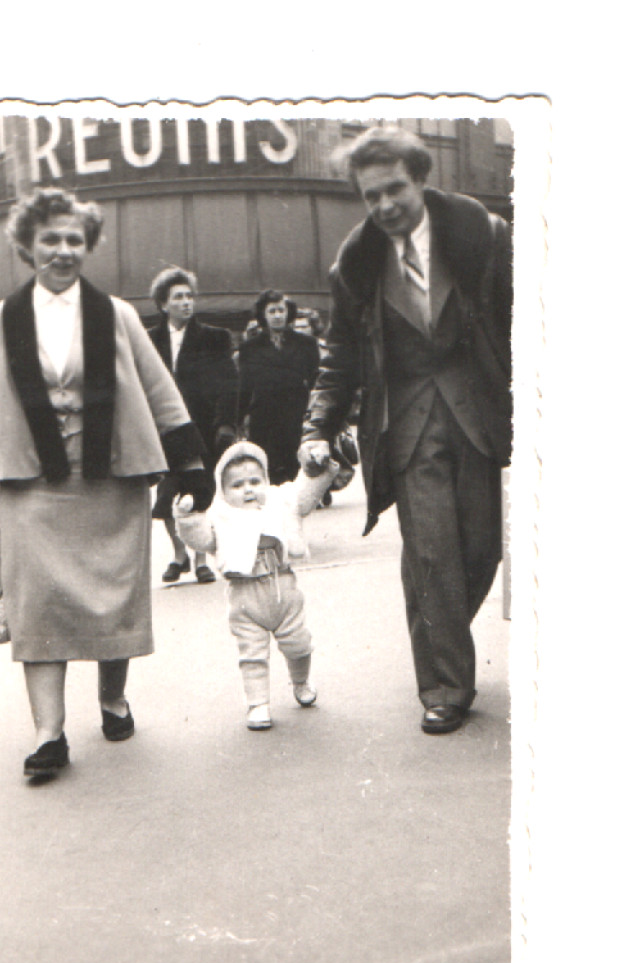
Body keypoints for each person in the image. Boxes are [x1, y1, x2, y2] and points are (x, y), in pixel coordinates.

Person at [0, 188, 211, 780]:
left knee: (110, 595)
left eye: (74, 239)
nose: (63, 251)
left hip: (112, 476)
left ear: (87, 245)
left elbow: (158, 388)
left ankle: (113, 699)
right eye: (50, 239)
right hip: (32, 485)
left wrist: (189, 463)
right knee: (37, 606)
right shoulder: (0, 319)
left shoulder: (116, 314)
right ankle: (49, 734)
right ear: (27, 245)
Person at [299, 125, 512, 735]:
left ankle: (439, 629)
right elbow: (339, 355)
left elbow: (526, 316)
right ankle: (445, 685)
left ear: (421, 179)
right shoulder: (356, 264)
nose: (386, 205)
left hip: (478, 414)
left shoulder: (481, 235)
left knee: (480, 548)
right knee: (431, 552)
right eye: (372, 196)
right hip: (408, 425)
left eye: (395, 189)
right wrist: (319, 425)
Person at [173, 440, 339, 731]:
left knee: (299, 644)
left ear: (266, 480)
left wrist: (315, 471)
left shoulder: (280, 501)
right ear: (223, 491)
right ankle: (257, 704)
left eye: (254, 481)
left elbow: (304, 493)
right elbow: (201, 538)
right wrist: (187, 518)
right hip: (245, 594)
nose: (248, 489)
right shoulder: (220, 516)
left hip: (283, 587)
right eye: (237, 485)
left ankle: (301, 681)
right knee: (252, 653)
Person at [148, 266, 239, 584]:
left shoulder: (214, 338)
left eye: (189, 296)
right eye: (178, 297)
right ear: (163, 304)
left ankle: (200, 558)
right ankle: (178, 555)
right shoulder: (149, 341)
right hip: (164, 430)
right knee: (168, 493)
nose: (186, 302)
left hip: (201, 428)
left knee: (199, 490)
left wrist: (226, 424)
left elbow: (229, 384)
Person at [237, 289, 320, 486]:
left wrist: (316, 412)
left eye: (281, 310)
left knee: (296, 465)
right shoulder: (250, 348)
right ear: (263, 315)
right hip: (264, 416)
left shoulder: (306, 343)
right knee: (270, 467)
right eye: (272, 311)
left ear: (288, 312)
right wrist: (239, 419)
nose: (277, 316)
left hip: (297, 413)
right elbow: (244, 385)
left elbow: (316, 380)